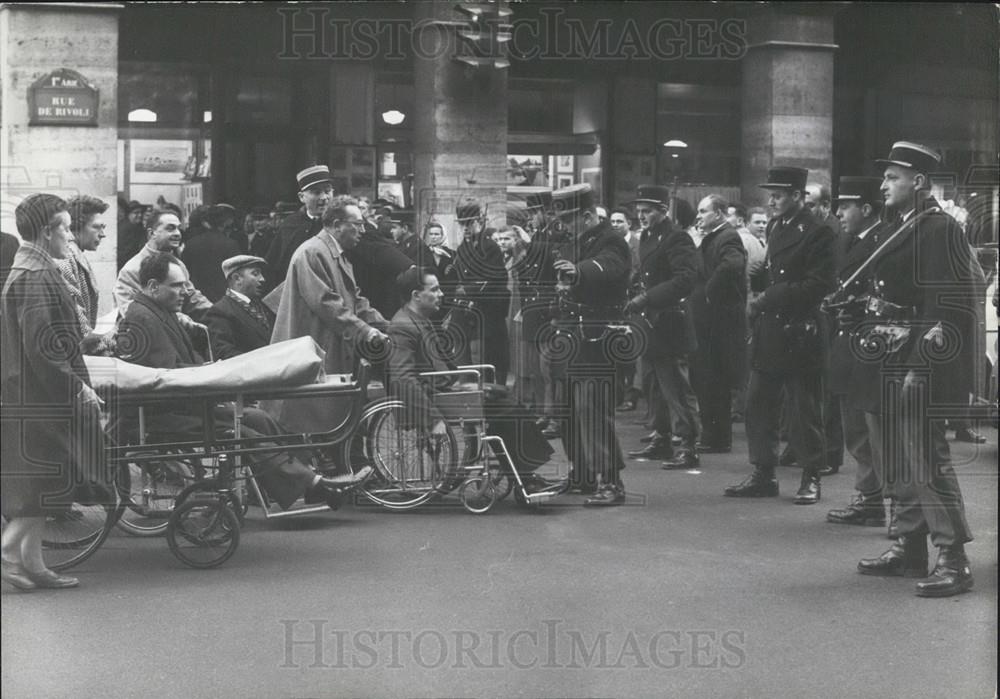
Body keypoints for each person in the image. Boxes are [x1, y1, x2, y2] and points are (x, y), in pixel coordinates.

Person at [115, 253, 365, 509]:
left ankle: (309, 479)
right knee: (243, 432)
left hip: (180, 406)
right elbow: (165, 376)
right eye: (177, 286)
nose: (185, 292)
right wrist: (211, 374)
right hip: (165, 414)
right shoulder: (142, 317)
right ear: (154, 286)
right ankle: (313, 484)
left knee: (261, 419)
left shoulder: (156, 312)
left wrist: (208, 370)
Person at [856, 142, 979, 597]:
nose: (884, 184)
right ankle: (909, 546)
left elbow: (945, 304)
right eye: (885, 177)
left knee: (926, 458)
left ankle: (954, 558)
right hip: (888, 354)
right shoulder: (900, 224)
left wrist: (920, 367)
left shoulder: (939, 228)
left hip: (917, 359)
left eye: (893, 177)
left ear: (920, 183)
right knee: (896, 457)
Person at [2, 194, 105, 590]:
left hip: (31, 393)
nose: (69, 235)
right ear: (48, 232)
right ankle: (9, 553)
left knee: (41, 485)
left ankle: (33, 564)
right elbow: (43, 349)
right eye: (64, 227)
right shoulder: (36, 275)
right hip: (43, 396)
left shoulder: (29, 268)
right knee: (49, 482)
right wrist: (78, 387)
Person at [387, 267, 556, 493]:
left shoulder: (418, 319)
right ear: (416, 295)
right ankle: (525, 478)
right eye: (434, 290)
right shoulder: (403, 326)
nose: (441, 295)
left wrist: (462, 384)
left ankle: (524, 475)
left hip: (441, 388)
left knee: (503, 398)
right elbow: (402, 378)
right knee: (504, 408)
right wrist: (432, 419)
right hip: (431, 397)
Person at [725, 166, 836, 505]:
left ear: (798, 197)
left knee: (804, 409)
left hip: (799, 327)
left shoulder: (818, 232)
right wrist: (758, 285)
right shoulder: (776, 226)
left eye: (778, 195)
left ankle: (811, 474)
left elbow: (819, 284)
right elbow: (772, 275)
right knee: (758, 404)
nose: (771, 201)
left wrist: (768, 297)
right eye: (770, 194)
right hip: (771, 330)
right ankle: (763, 472)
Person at [268, 196, 389, 433]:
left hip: (325, 347)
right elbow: (328, 304)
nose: (363, 230)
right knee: (313, 420)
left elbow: (356, 301)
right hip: (315, 347)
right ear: (336, 224)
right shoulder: (313, 252)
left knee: (330, 417)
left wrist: (387, 324)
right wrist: (366, 331)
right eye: (358, 224)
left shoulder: (333, 253)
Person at [550, 183, 631, 505]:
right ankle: (582, 473)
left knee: (592, 408)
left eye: (569, 220)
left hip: (598, 336)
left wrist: (578, 271)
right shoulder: (577, 240)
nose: (564, 226)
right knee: (567, 408)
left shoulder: (611, 240)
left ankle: (611, 480)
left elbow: (611, 268)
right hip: (573, 334)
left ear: (586, 216)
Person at [824, 177, 891, 530]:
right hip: (848, 345)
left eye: (845, 206)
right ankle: (871, 500)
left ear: (866, 209)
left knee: (877, 434)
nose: (839, 212)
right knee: (856, 431)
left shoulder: (886, 242)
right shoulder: (847, 241)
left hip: (871, 349)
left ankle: (894, 508)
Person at [624, 185, 701, 470]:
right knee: (653, 384)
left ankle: (689, 444)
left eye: (648, 211)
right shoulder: (647, 236)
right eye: (639, 211)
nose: (641, 216)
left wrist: (647, 297)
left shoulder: (676, 238)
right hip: (650, 322)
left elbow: (685, 279)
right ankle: (662, 438)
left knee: (675, 387)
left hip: (670, 321)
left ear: (663, 211)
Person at [690, 194, 747, 455]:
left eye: (703, 211)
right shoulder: (717, 236)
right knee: (708, 378)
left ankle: (717, 437)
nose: (699, 216)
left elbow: (732, 264)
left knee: (714, 379)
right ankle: (713, 435)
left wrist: (709, 293)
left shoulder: (728, 236)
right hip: (711, 319)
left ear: (720, 213)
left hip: (719, 320)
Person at [114, 209, 213, 320]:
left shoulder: (178, 265)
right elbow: (133, 314)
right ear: (152, 233)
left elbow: (191, 297)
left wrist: (220, 313)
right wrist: (181, 321)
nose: (178, 233)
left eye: (178, 228)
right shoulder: (131, 270)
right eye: (170, 228)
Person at [453, 200, 511, 386]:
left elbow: (496, 280)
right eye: (463, 223)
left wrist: (468, 290)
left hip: (488, 315)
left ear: (478, 220)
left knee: (489, 362)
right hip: (468, 315)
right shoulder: (463, 248)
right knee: (467, 361)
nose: (466, 227)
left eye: (469, 223)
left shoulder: (490, 247)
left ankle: (492, 400)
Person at [263, 165, 333, 294]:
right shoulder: (290, 224)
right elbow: (273, 265)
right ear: (302, 197)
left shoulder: (339, 223)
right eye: (316, 192)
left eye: (327, 191)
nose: (324, 198)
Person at [58, 195, 114, 354]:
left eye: (104, 227)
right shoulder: (66, 256)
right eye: (97, 227)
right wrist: (105, 347)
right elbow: (78, 317)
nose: (103, 234)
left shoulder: (75, 254)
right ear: (76, 226)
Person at [204, 255, 276, 359]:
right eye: (255, 274)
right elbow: (224, 353)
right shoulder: (219, 312)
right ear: (237, 278)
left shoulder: (263, 306)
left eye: (261, 274)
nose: (262, 279)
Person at [610, 207, 642, 412]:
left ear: (629, 223)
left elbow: (637, 270)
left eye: (619, 222)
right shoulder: (610, 245)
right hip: (614, 302)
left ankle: (632, 394)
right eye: (612, 222)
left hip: (632, 300)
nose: (615, 226)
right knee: (616, 349)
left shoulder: (636, 245)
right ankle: (618, 394)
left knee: (632, 351)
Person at [181, 203, 242, 303]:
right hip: (223, 300)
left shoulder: (191, 244)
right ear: (225, 224)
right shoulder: (231, 244)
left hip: (196, 300)